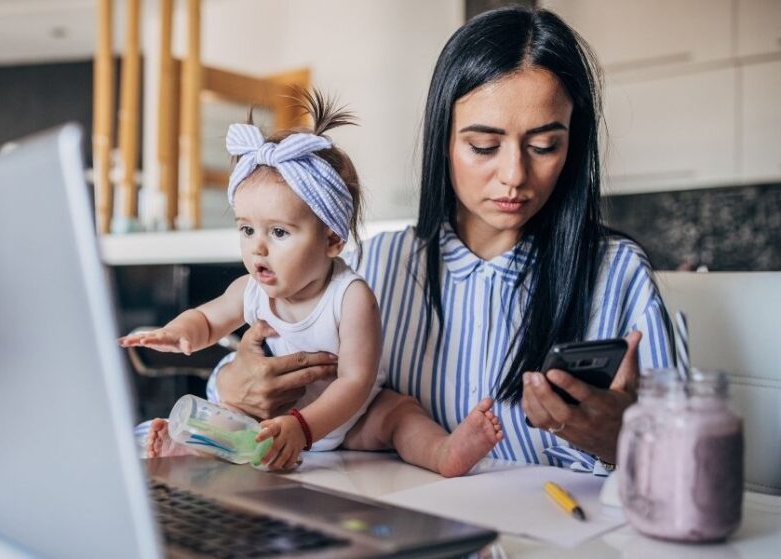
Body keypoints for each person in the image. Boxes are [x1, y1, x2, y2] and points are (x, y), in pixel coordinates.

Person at [208, 7, 674, 474]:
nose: (514, 175)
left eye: (544, 146)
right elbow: (243, 392)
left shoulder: (617, 275)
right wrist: (234, 384)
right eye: (484, 147)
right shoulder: (373, 265)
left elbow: (685, 467)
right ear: (444, 139)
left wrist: (620, 441)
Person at [123, 90, 503, 473]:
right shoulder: (250, 290)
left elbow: (355, 382)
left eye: (279, 233)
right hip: (277, 417)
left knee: (399, 414)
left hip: (351, 417)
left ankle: (443, 453)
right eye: (247, 229)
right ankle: (186, 445)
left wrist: (304, 427)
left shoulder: (351, 297)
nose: (258, 248)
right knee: (228, 419)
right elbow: (207, 320)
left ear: (332, 240)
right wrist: (177, 332)